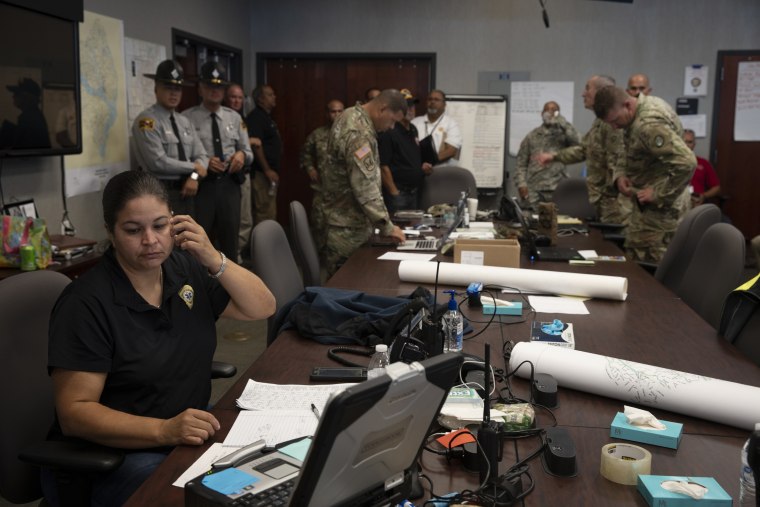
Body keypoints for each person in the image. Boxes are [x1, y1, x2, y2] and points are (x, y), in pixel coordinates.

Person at [43, 170, 275, 506]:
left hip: (183, 431)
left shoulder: (184, 268)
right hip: (113, 457)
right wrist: (164, 430)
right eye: (133, 230)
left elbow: (262, 307)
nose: (150, 240)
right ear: (110, 231)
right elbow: (75, 413)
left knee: (269, 473)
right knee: (215, 499)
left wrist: (213, 257)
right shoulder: (86, 303)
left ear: (175, 223)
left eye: (160, 225)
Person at [594, 85, 696, 263]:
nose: (614, 127)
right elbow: (628, 149)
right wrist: (620, 174)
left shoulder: (647, 125)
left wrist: (658, 193)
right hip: (646, 206)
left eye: (615, 120)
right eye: (609, 123)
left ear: (627, 104)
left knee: (645, 266)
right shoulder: (637, 112)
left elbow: (687, 162)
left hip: (661, 211)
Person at [319, 89, 407, 277]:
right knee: (346, 289)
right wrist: (388, 227)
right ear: (382, 109)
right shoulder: (359, 133)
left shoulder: (351, 114)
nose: (392, 127)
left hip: (344, 222)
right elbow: (364, 187)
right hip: (346, 229)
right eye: (392, 120)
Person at [535, 76, 631, 224]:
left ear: (601, 92)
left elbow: (618, 161)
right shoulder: (599, 122)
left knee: (613, 245)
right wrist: (553, 156)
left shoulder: (612, 122)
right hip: (601, 201)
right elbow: (584, 150)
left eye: (587, 88)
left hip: (615, 203)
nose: (583, 94)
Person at [183, 62, 253, 263]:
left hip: (229, 185)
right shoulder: (187, 118)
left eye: (219, 87)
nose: (215, 91)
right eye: (209, 86)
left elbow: (249, 152)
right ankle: (202, 288)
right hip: (202, 186)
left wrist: (241, 155)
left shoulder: (234, 117)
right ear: (200, 89)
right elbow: (184, 156)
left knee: (230, 240)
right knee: (198, 241)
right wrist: (203, 163)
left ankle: (228, 290)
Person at [132, 60, 209, 216]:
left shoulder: (185, 122)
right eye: (168, 87)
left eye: (178, 89)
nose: (174, 93)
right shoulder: (147, 121)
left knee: (186, 238)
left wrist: (194, 177)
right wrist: (193, 168)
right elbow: (157, 162)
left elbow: (202, 156)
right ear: (156, 89)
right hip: (159, 192)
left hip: (188, 191)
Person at [514, 101, 581, 209]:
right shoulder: (532, 136)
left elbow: (579, 143)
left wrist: (561, 122)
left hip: (559, 187)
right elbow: (520, 164)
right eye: (547, 110)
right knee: (534, 222)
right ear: (541, 113)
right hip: (534, 190)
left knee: (559, 222)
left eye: (554, 110)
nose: (549, 113)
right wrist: (522, 185)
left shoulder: (565, 134)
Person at [300, 99, 344, 250]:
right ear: (327, 114)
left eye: (340, 111)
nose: (337, 115)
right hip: (321, 188)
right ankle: (319, 258)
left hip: (343, 191)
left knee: (340, 227)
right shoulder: (317, 134)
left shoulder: (349, 135)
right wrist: (310, 168)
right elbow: (305, 154)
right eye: (333, 111)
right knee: (319, 223)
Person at [378, 88, 432, 213]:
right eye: (407, 106)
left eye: (413, 105)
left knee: (411, 230)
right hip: (398, 193)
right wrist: (394, 193)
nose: (411, 109)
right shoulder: (389, 130)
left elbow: (410, 158)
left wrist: (421, 166)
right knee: (397, 229)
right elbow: (382, 166)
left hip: (415, 192)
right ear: (396, 109)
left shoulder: (413, 129)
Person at [224, 83, 254, 263]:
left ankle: (236, 254)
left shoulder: (241, 119)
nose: (236, 101)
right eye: (233, 97)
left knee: (245, 219)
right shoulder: (218, 119)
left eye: (240, 98)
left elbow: (247, 151)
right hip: (221, 179)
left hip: (242, 176)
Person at [245, 85, 282, 224]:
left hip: (267, 172)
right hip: (261, 173)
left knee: (269, 211)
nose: (274, 97)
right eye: (270, 94)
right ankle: (263, 245)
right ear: (260, 99)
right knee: (264, 212)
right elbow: (256, 145)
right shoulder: (256, 117)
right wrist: (267, 169)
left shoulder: (266, 117)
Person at [411, 89, 462, 167]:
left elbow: (451, 151)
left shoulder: (451, 124)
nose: (432, 102)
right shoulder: (414, 123)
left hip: (442, 172)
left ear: (444, 104)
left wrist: (429, 162)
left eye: (436, 100)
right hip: (418, 170)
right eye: (430, 99)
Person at [1, 77, 50, 149]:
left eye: (17, 93)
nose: (13, 96)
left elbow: (24, 152)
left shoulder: (29, 119)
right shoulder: (33, 116)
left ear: (26, 97)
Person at [683, 129, 721, 206]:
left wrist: (703, 196)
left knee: (725, 218)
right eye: (684, 141)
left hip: (696, 204)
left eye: (689, 142)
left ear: (694, 144)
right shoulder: (668, 163)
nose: (686, 145)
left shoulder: (703, 163)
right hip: (675, 206)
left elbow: (716, 188)